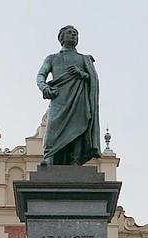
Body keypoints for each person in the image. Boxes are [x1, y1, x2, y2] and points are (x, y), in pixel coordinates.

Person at [36, 25, 101, 166]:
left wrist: (81, 74)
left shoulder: (84, 59)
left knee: (78, 127)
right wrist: (44, 87)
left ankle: (75, 160)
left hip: (79, 99)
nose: (73, 35)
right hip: (59, 98)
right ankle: (49, 157)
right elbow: (41, 74)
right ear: (61, 38)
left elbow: (93, 79)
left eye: (75, 33)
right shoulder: (53, 58)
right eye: (69, 33)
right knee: (53, 126)